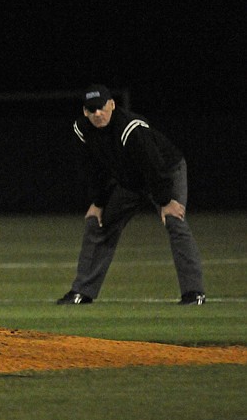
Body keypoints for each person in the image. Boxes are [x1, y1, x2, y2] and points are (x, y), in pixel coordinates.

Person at [57, 84, 206, 305]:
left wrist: (166, 201)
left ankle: (194, 293)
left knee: (175, 220)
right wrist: (98, 202)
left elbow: (153, 166)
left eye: (101, 107)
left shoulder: (130, 127)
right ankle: (82, 292)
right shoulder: (82, 130)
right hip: (131, 182)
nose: (97, 114)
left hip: (166, 173)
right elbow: (92, 169)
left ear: (112, 105)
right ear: (84, 111)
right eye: (91, 109)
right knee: (97, 223)